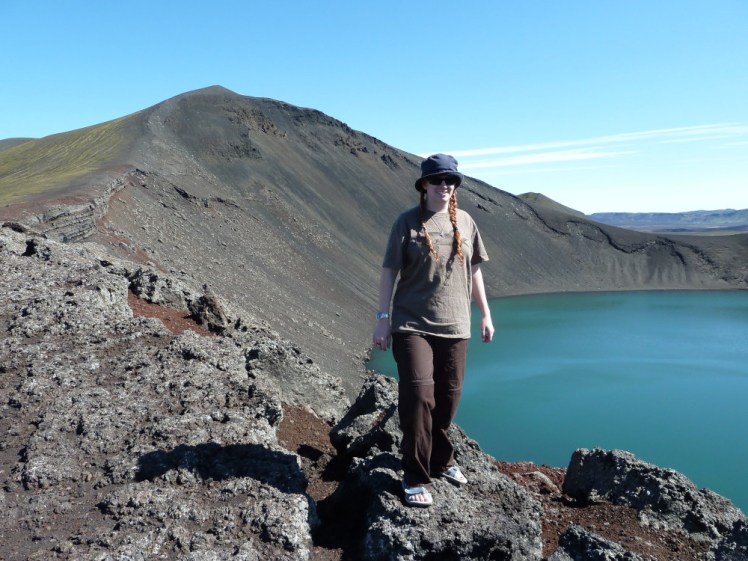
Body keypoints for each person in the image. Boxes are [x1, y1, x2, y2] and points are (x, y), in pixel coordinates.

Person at [372, 153, 494, 507]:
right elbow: (388, 271)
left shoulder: (467, 222)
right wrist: (382, 317)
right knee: (419, 396)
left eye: (451, 181)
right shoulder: (407, 222)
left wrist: (485, 314)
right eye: (439, 180)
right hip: (412, 325)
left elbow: (474, 271)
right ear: (424, 184)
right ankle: (414, 475)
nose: (445, 186)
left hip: (456, 326)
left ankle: (442, 460)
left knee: (448, 398)